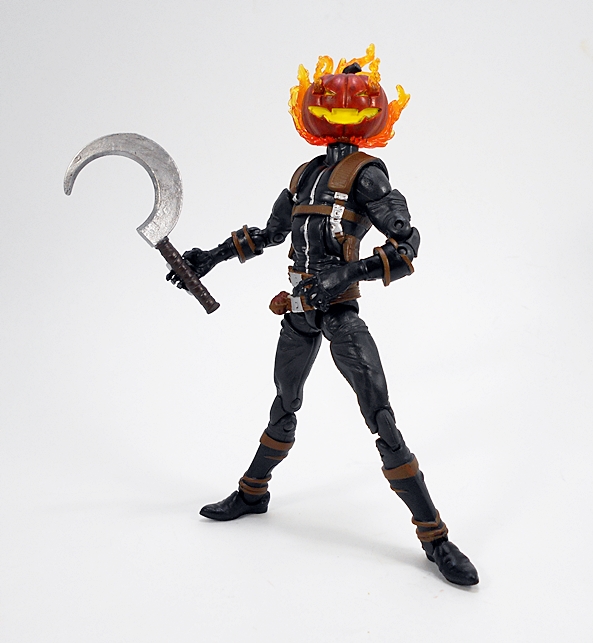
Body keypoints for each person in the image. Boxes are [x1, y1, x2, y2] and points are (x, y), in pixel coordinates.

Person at [167, 46, 478, 586]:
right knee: (284, 404)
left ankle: (435, 537)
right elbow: (269, 234)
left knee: (380, 417)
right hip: (298, 310)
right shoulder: (305, 174)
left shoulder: (368, 175)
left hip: (339, 313)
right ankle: (253, 492)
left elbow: (407, 247)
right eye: (329, 95)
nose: (341, 103)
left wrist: (344, 276)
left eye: (354, 96)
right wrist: (208, 258)